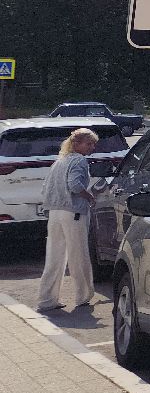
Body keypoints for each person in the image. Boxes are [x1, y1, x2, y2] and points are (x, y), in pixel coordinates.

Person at [37, 127, 100, 313]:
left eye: (93, 144)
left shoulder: (60, 161)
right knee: (78, 254)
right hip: (73, 212)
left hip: (55, 212)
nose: (92, 147)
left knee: (54, 256)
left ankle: (46, 299)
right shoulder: (79, 160)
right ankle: (83, 296)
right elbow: (75, 185)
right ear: (76, 144)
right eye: (89, 143)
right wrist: (88, 196)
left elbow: (45, 187)